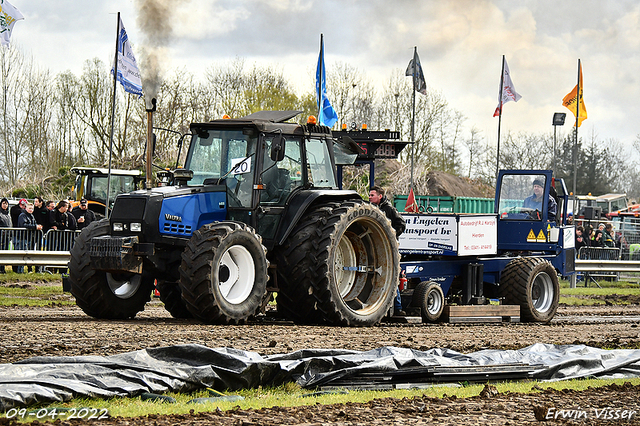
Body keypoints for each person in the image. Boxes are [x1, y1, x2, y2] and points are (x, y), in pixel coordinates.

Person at [369, 185, 406, 315]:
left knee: (391, 275)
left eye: (372, 195)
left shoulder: (389, 209)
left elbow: (401, 223)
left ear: (380, 196)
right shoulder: (371, 208)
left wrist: (391, 237)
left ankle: (398, 307)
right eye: (369, 195)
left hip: (388, 246)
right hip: (375, 246)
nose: (369, 197)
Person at [17, 203, 41, 273]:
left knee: (29, 254)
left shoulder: (32, 216)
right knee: (23, 254)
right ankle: (20, 271)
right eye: (30, 208)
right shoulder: (22, 215)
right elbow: (23, 225)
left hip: (30, 237)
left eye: (32, 209)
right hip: (23, 237)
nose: (31, 210)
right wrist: (35, 227)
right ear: (26, 208)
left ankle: (29, 269)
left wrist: (37, 226)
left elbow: (33, 224)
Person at [0, 198, 11, 273]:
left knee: (5, 250)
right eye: (4, 203)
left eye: (6, 204)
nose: (5, 205)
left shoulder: (8, 213)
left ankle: (3, 268)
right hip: (1, 235)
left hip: (7, 235)